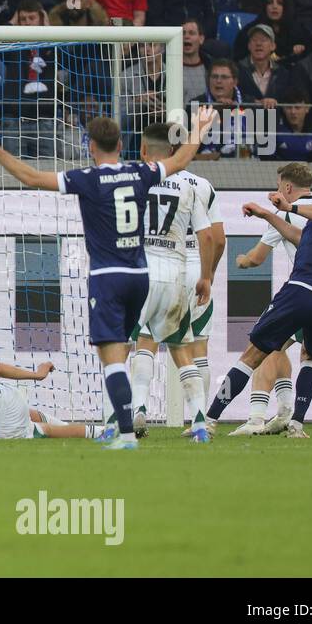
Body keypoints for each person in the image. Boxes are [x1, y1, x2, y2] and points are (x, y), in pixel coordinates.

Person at [0, 107, 217, 449]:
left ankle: (126, 432)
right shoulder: (141, 173)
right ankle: (150, 420)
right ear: (122, 144)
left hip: (108, 277)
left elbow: (30, 177)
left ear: (91, 145)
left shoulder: (86, 178)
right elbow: (183, 159)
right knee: (147, 345)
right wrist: (199, 129)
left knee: (114, 356)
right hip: (140, 275)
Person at [208, 170, 312, 438]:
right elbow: (304, 237)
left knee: (253, 354)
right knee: (310, 356)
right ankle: (296, 424)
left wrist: (289, 206)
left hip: (302, 291)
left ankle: (211, 419)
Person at [125, 123, 220, 442]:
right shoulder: (193, 186)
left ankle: (137, 408)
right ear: (175, 153)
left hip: (141, 272)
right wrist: (206, 276)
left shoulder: (130, 179)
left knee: (144, 345)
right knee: (185, 349)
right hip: (178, 273)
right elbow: (210, 236)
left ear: (143, 150)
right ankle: (199, 419)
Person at [230, 163, 312, 435]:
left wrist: (241, 261)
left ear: (287, 187)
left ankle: (256, 418)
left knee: (263, 345)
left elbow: (256, 257)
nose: (277, 190)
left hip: (305, 293)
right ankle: (286, 411)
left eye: (280, 185)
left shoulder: (284, 217)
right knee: (281, 349)